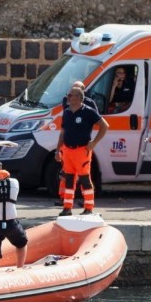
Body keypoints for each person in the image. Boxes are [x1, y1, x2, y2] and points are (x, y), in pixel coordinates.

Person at [56, 86, 109, 216]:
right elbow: (63, 133)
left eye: (70, 95)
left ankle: (88, 207)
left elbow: (104, 125)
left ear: (78, 98)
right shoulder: (67, 112)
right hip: (68, 150)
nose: (67, 98)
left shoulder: (88, 111)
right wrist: (58, 150)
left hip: (81, 150)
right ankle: (67, 207)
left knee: (85, 179)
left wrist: (94, 142)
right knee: (69, 179)